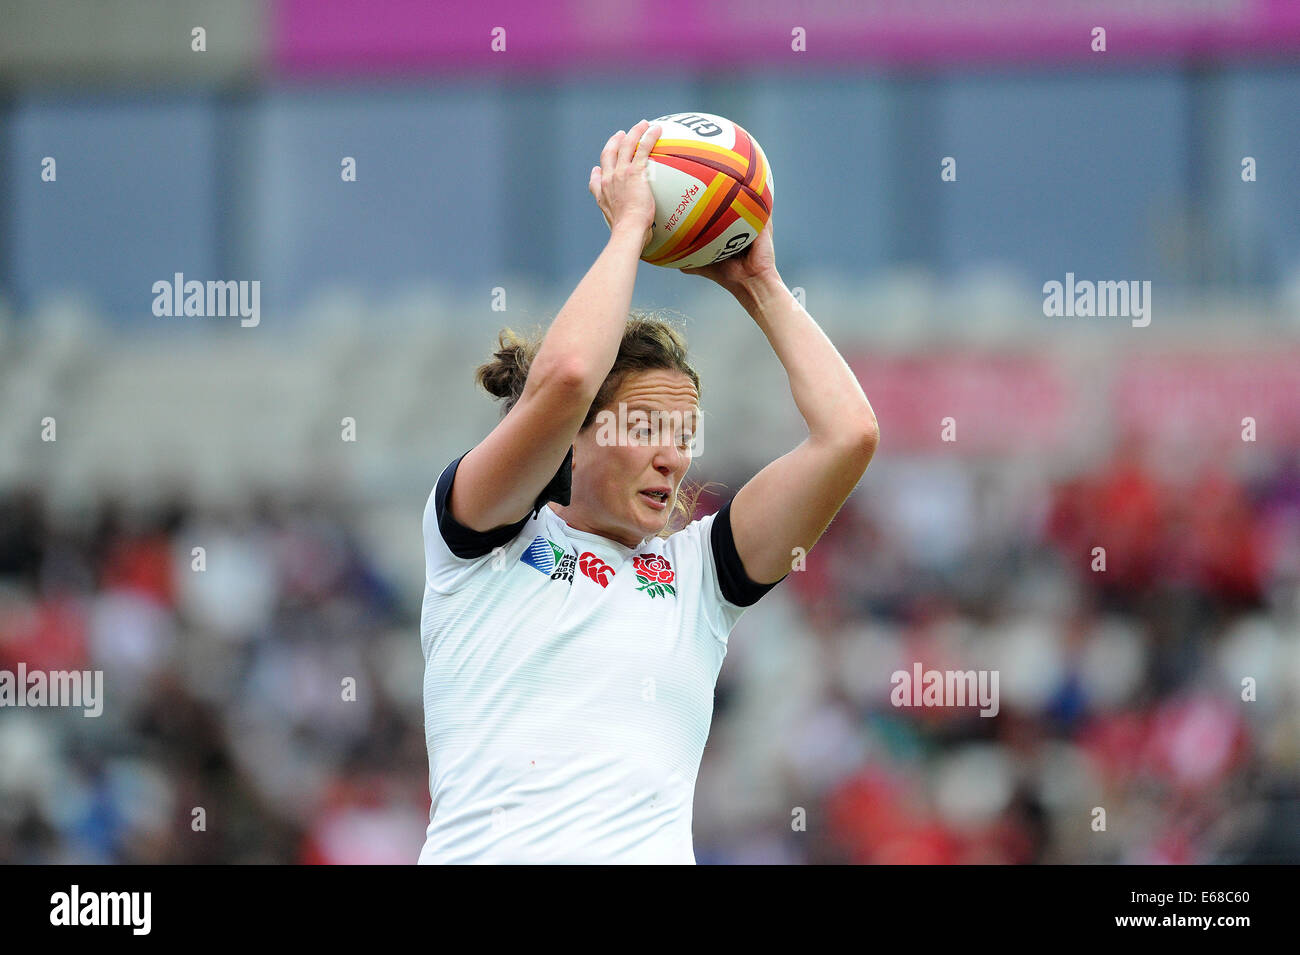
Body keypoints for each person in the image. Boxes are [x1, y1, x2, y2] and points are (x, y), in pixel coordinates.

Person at [418, 119, 879, 863]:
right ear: (577, 435)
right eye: (644, 426)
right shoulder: (484, 538)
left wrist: (760, 285)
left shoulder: (700, 579)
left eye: (684, 434)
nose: (672, 458)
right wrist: (631, 226)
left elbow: (849, 435)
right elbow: (568, 377)